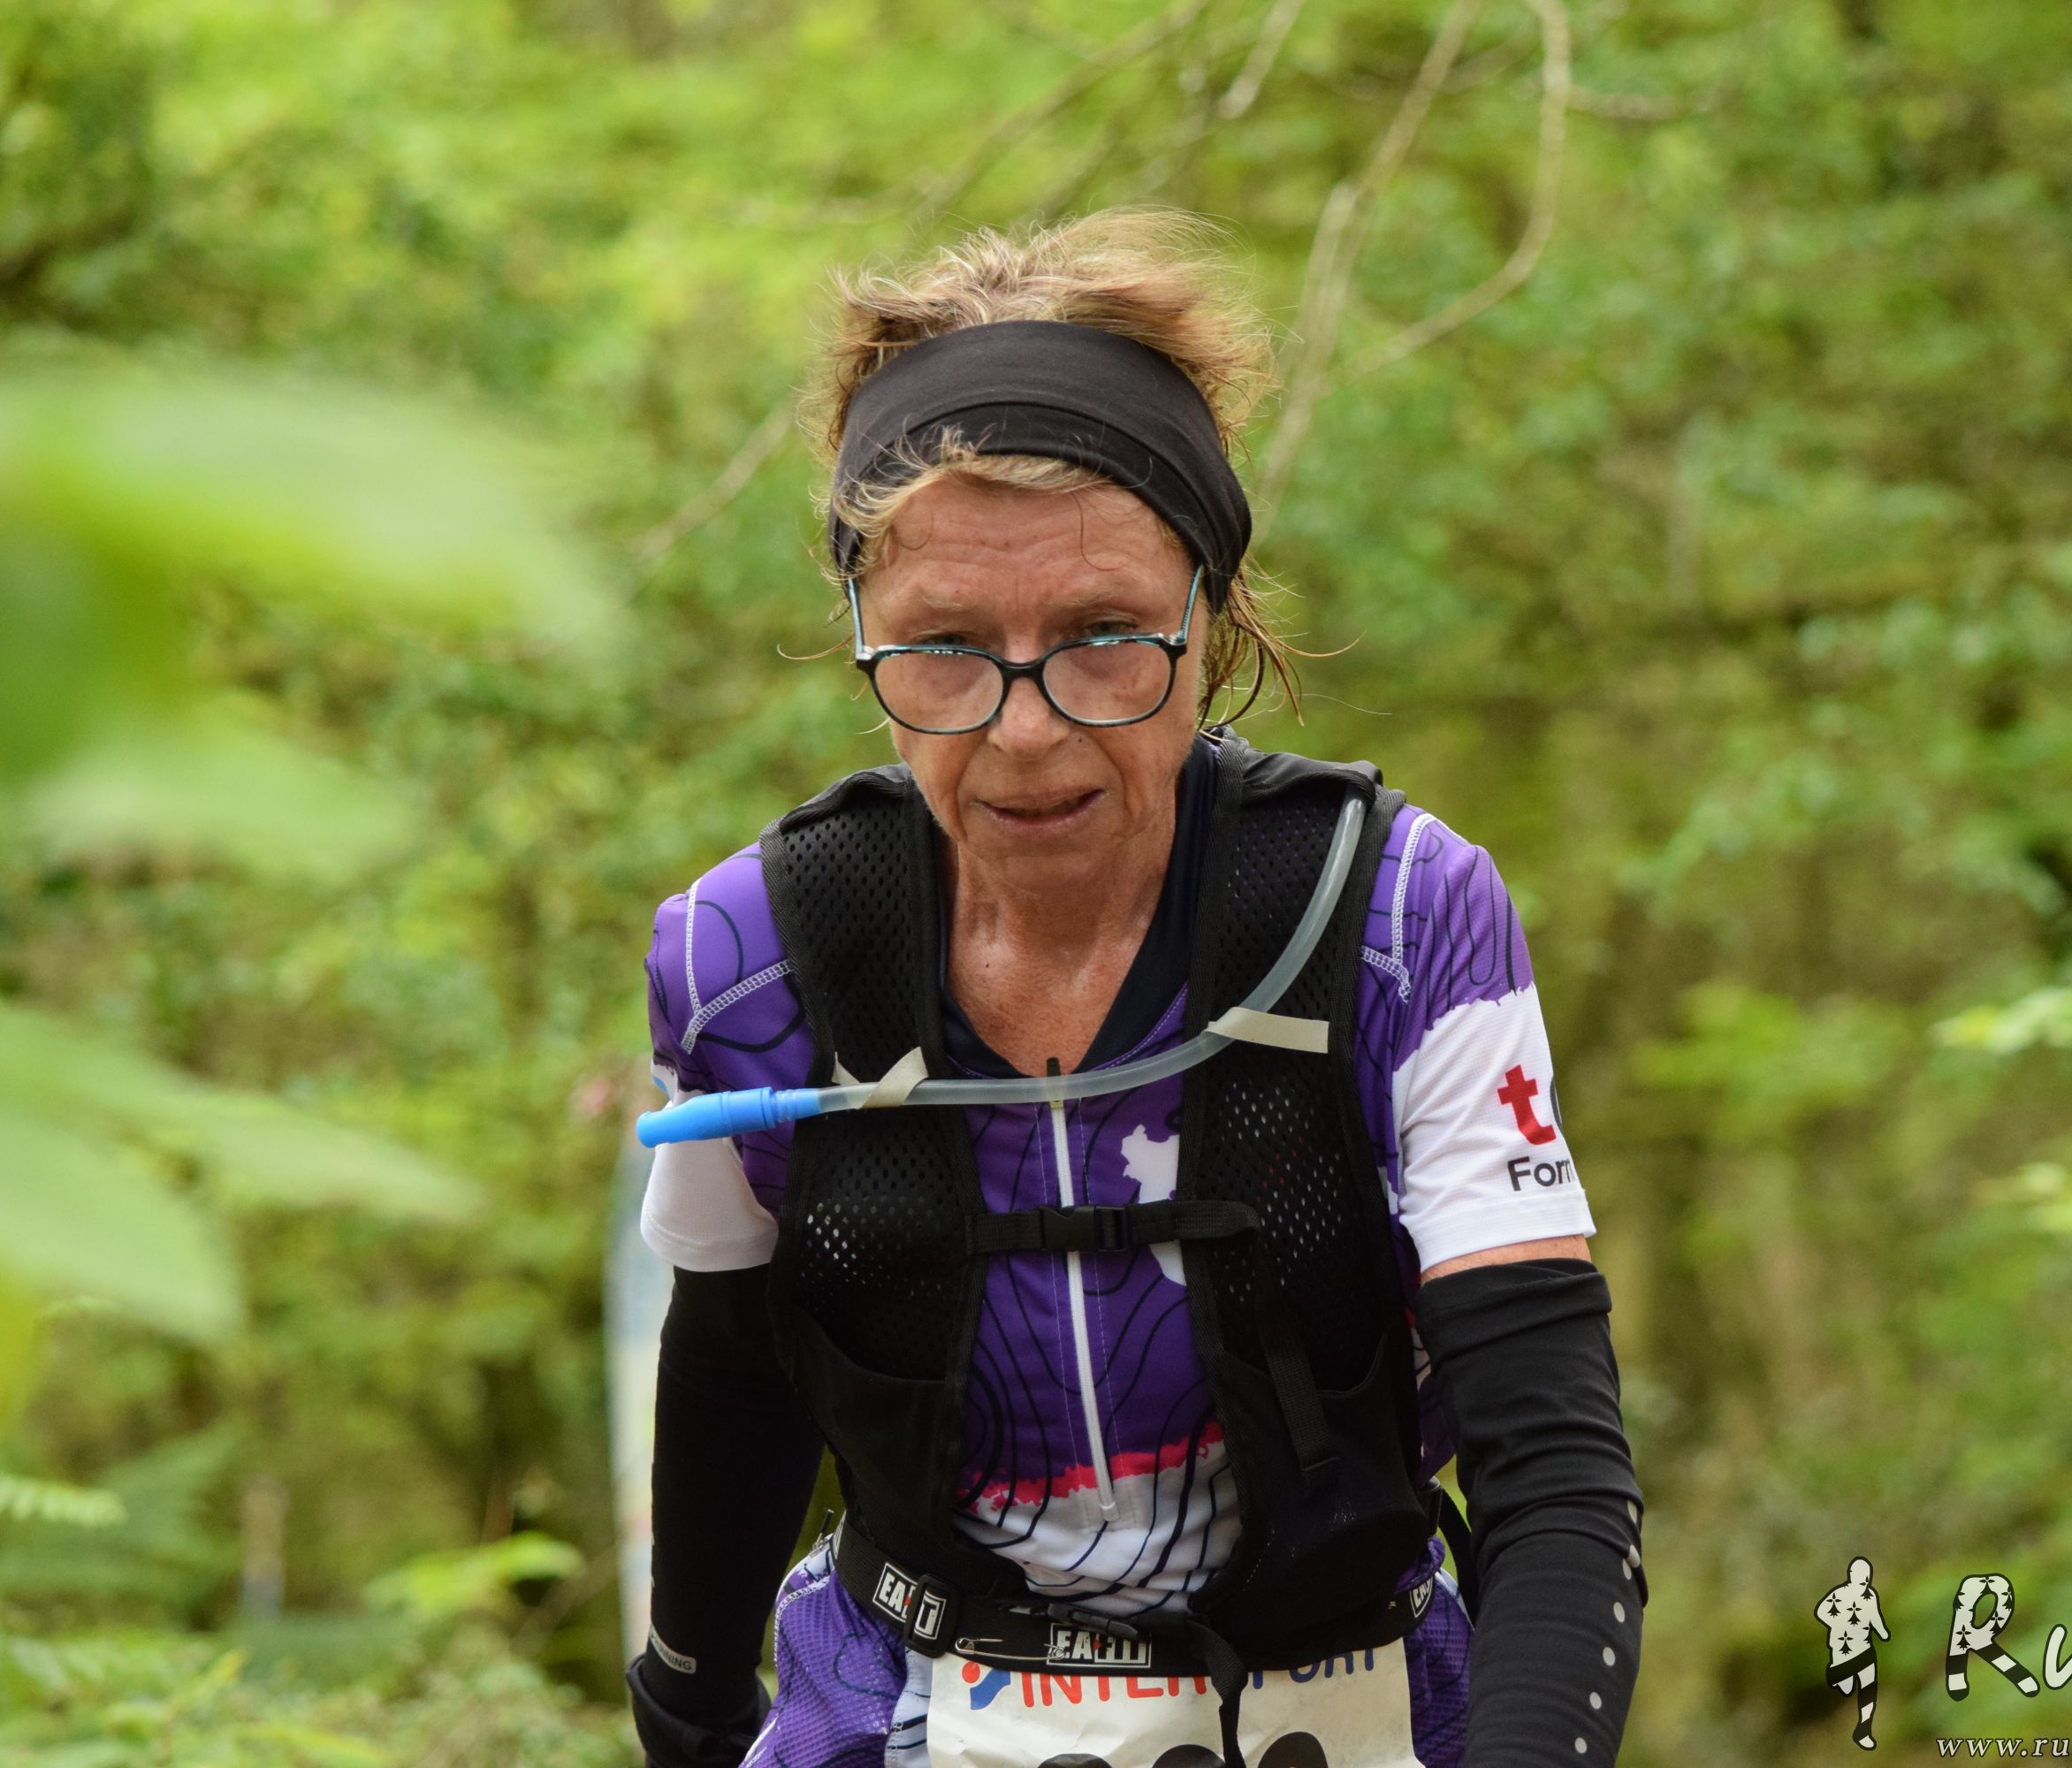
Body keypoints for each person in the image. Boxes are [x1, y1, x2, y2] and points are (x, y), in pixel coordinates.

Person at [627, 210, 1645, 1768]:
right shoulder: (746, 961)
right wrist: (690, 1718)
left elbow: (1552, 1461)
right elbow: (734, 1376)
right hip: (907, 1703)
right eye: (944, 648)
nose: (1026, 729)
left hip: (1358, 1698)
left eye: (1105, 636)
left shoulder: (1395, 917)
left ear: (1211, 616)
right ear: (860, 643)